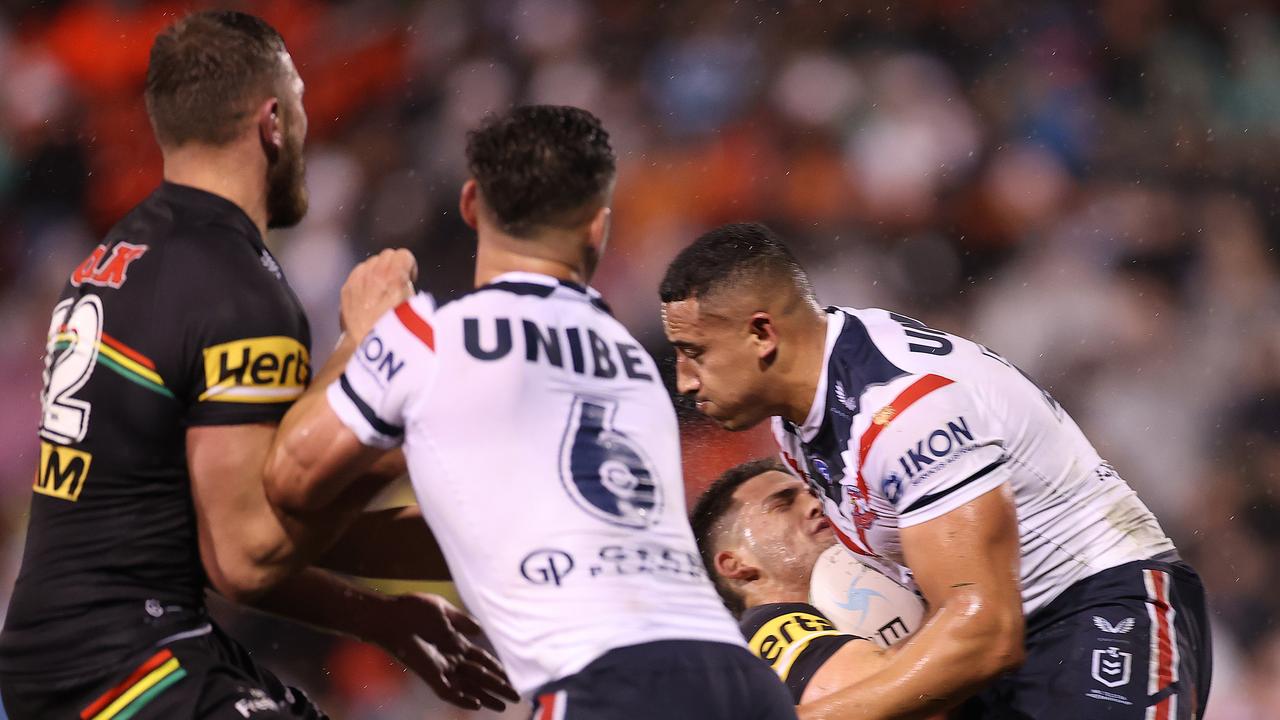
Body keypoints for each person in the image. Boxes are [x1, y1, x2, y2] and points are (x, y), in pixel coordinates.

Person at [0, 11, 514, 719]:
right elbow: (246, 556)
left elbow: (225, 532)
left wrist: (380, 618)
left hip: (63, 661)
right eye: (300, 102)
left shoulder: (114, 259)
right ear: (273, 120)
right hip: (128, 666)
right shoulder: (232, 286)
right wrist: (362, 348)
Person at [261, 105, 798, 720]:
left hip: (607, 686)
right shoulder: (630, 358)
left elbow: (286, 481)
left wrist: (362, 336)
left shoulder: (433, 336)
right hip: (740, 680)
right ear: (598, 228)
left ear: (470, 205)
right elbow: (504, 529)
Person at [660, 222, 1212, 720]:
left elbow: (985, 630)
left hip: (1098, 611)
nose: (684, 380)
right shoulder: (800, 418)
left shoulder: (902, 412)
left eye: (695, 352)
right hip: (1018, 643)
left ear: (762, 334)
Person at [690, 458, 888, 704]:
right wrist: (948, 613)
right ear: (736, 564)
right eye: (783, 504)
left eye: (815, 493)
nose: (817, 504)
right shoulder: (765, 630)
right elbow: (875, 695)